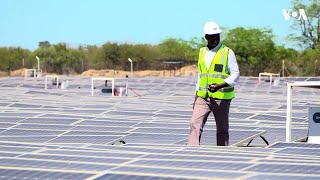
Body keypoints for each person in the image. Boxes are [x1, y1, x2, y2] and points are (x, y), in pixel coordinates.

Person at [187, 21, 240, 146]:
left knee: (222, 129)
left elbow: (236, 74)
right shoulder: (202, 52)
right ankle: (191, 152)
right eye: (212, 36)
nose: (215, 38)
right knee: (195, 124)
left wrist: (220, 85)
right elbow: (201, 75)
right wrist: (196, 97)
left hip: (221, 98)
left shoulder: (227, 52)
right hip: (202, 97)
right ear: (206, 37)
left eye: (217, 35)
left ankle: (222, 154)